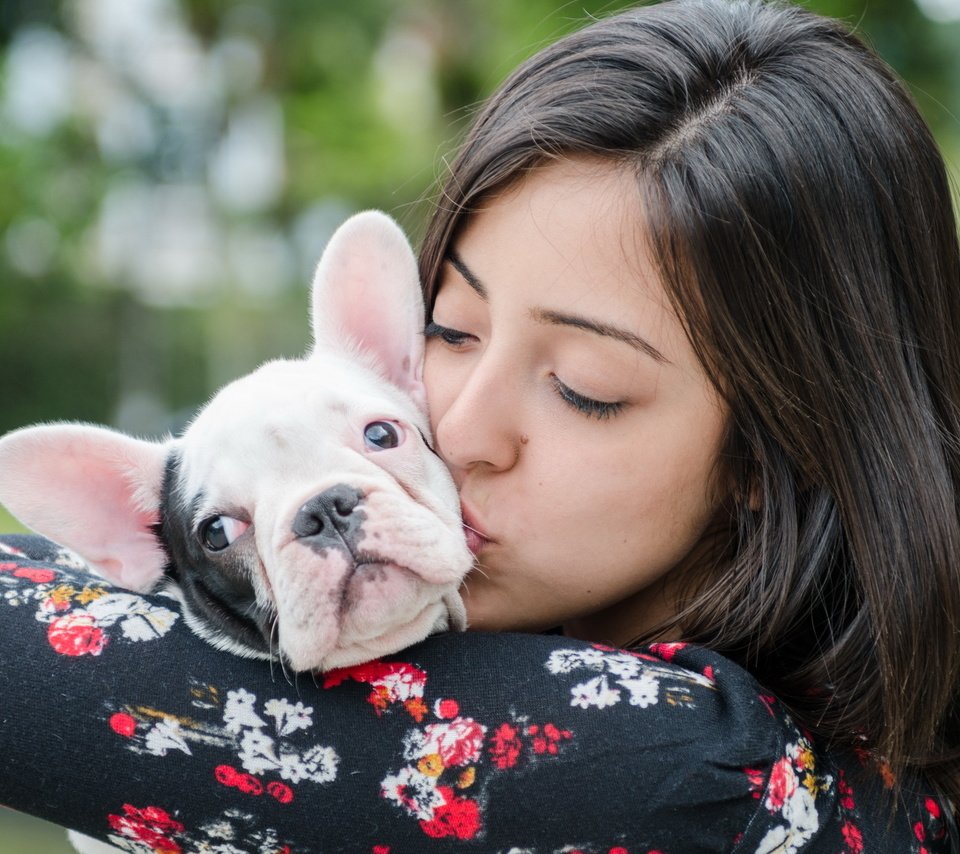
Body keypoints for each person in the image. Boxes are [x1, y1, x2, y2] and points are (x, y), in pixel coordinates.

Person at [1, 0, 958, 850]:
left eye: (584, 387)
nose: (458, 429)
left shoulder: (689, 777)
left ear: (774, 450)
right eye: (450, 330)